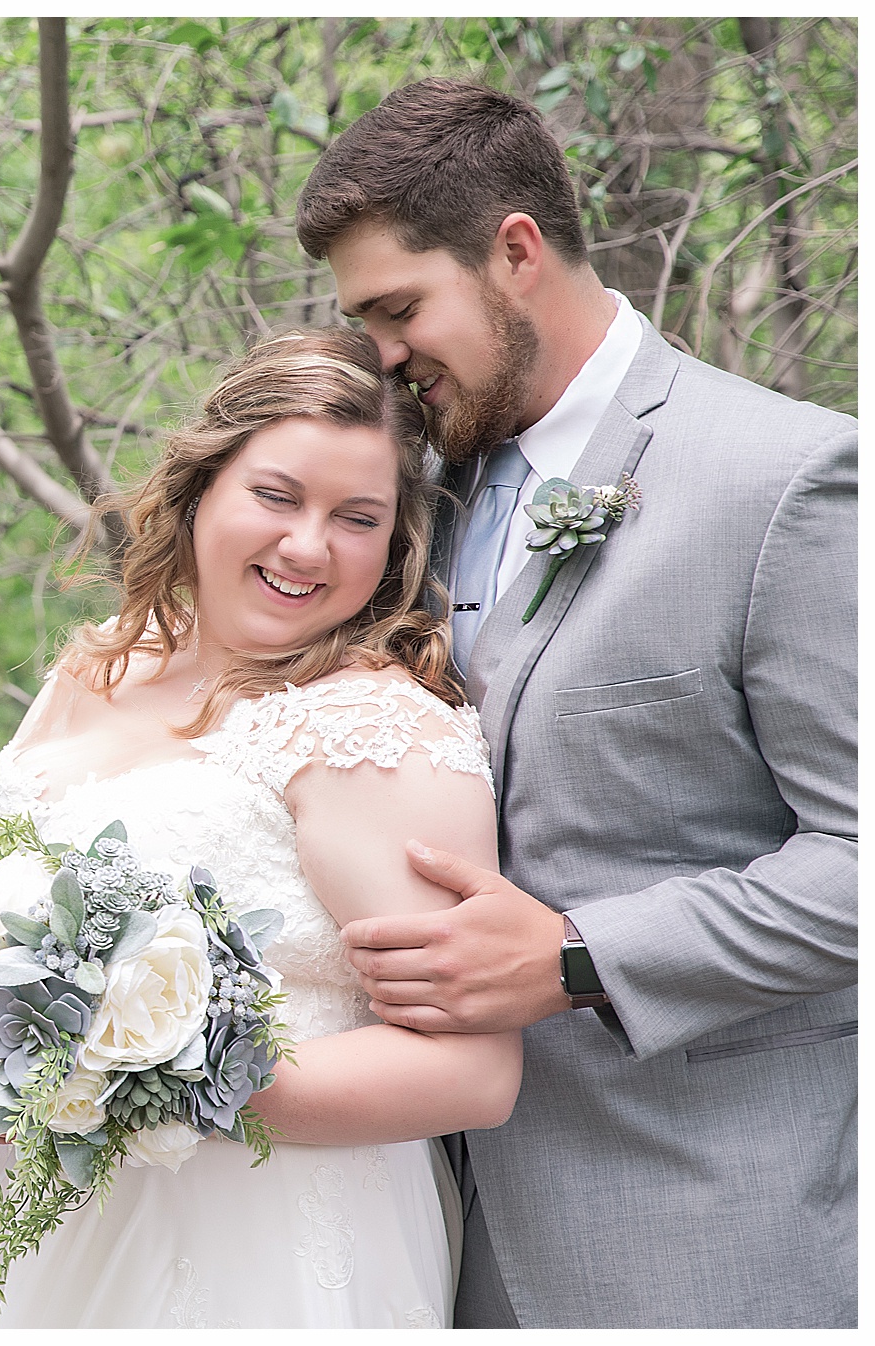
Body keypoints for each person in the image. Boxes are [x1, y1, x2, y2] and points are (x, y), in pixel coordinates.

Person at [296, 78, 856, 1329]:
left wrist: (578, 956)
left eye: (398, 309)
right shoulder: (405, 500)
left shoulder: (782, 478)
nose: (379, 357)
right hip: (424, 1224)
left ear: (515, 250)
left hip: (692, 1231)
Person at [0, 327, 521, 1328]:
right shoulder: (98, 664)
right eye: (276, 495)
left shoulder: (373, 724)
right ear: (201, 489)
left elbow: (473, 1071)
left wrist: (161, 1071)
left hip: (264, 1243)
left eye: (356, 517)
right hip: (42, 1221)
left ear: (395, 541)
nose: (308, 545)